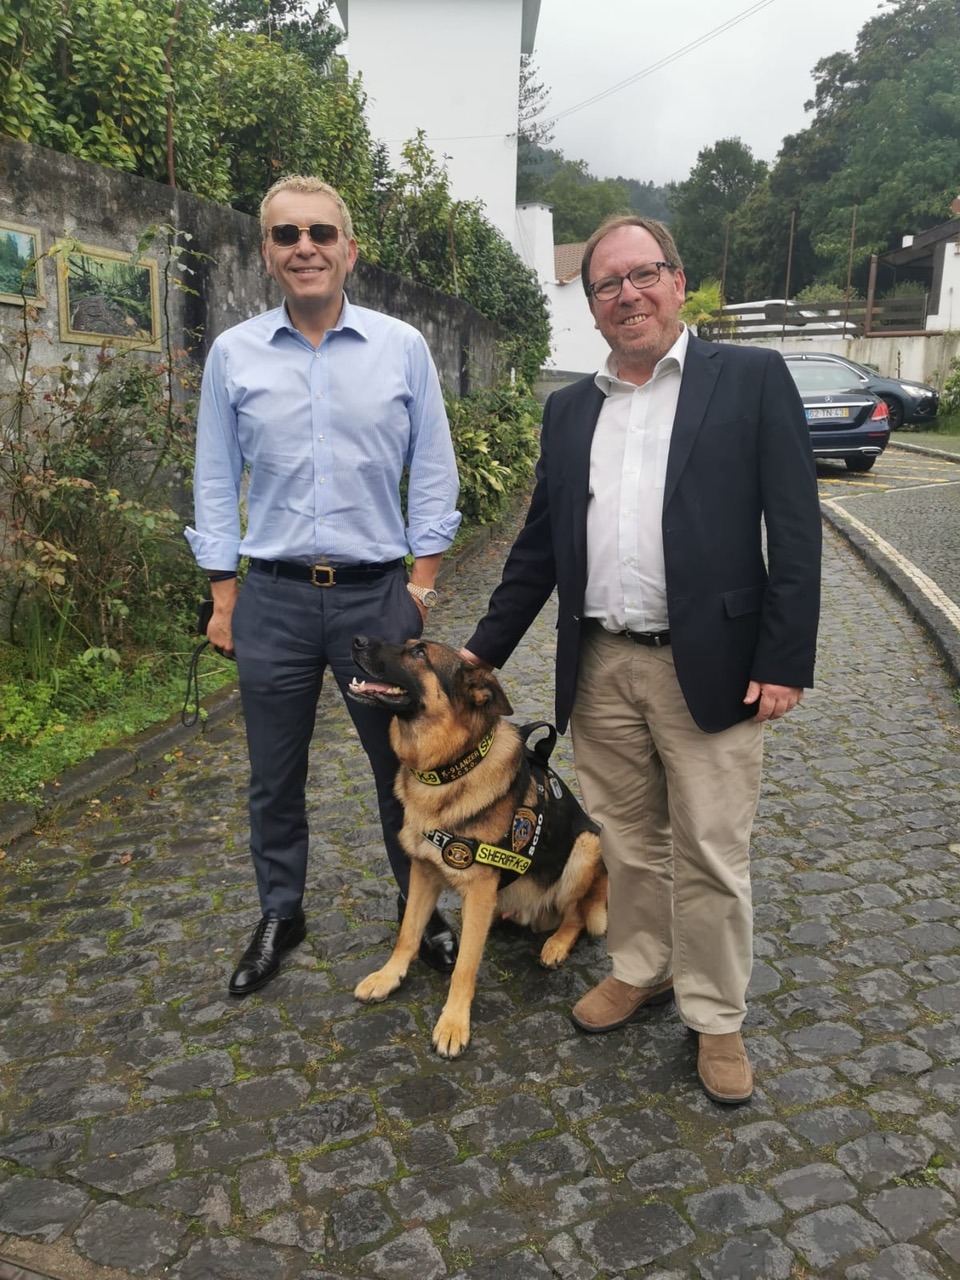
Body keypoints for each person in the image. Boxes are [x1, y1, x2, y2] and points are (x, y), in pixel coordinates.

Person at [462, 214, 821, 1104]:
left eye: (643, 275)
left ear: (677, 280)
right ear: (590, 305)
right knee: (628, 840)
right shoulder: (569, 409)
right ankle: (642, 966)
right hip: (601, 666)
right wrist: (479, 655)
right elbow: (538, 550)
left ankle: (717, 1014)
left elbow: (795, 527)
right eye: (607, 284)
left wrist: (784, 658)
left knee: (711, 849)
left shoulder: (749, 378)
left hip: (715, 664)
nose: (628, 295)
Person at [186, 175, 462, 997]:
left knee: (404, 770)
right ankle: (282, 912)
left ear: (349, 249)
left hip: (375, 600)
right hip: (271, 600)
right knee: (274, 776)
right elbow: (213, 477)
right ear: (266, 253)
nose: (303, 246)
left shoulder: (401, 348)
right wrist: (223, 595)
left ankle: (421, 913)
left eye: (319, 232)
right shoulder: (234, 354)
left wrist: (420, 587)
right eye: (286, 234)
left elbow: (434, 468)